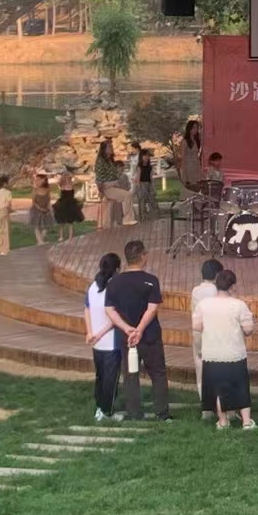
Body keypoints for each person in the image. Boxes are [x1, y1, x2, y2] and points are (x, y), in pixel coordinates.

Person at [104, 239, 170, 421]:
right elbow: (152, 308)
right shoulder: (151, 281)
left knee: (130, 374)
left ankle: (134, 412)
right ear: (142, 256)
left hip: (126, 338)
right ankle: (162, 413)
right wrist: (139, 330)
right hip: (149, 336)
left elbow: (109, 310)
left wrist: (127, 329)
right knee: (158, 373)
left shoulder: (114, 282)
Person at [195, 269, 256, 430]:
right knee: (240, 386)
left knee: (217, 389)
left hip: (212, 353)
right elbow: (248, 330)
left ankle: (223, 421)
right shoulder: (238, 305)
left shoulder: (204, 304)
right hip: (234, 353)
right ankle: (246, 422)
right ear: (233, 286)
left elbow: (197, 326)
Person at [84, 253, 123, 422]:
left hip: (96, 342)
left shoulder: (93, 286)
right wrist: (99, 334)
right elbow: (115, 318)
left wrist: (90, 333)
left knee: (100, 376)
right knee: (110, 379)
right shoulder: (115, 289)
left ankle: (100, 408)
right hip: (111, 342)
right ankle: (107, 412)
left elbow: (86, 309)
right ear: (117, 269)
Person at [190, 259, 223, 405]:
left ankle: (205, 404)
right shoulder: (217, 292)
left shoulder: (195, 291)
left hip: (198, 333)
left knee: (200, 367)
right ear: (217, 275)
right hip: (214, 334)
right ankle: (220, 402)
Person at [95, 140, 133, 227]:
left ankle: (120, 221)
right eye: (109, 147)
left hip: (115, 185)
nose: (111, 148)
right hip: (108, 187)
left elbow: (114, 174)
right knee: (127, 195)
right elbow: (99, 177)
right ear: (104, 149)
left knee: (122, 201)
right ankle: (127, 219)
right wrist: (101, 190)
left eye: (111, 146)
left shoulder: (110, 160)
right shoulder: (101, 161)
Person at [54, 167, 84, 240]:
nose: (67, 178)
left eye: (68, 177)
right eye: (66, 177)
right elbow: (58, 182)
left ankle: (69, 236)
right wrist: (63, 177)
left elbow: (79, 180)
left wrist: (72, 176)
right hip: (64, 204)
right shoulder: (62, 186)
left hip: (70, 204)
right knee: (62, 222)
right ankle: (62, 236)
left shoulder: (71, 184)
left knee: (70, 222)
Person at [178, 119, 204, 190]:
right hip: (189, 167)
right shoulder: (185, 141)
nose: (196, 130)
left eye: (197, 128)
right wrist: (184, 173)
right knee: (191, 187)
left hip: (197, 166)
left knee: (199, 186)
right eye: (194, 127)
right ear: (189, 129)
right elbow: (183, 157)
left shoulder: (197, 140)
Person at [29, 172, 53, 244]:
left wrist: (48, 209)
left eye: (39, 179)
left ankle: (40, 240)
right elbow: (33, 202)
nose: (37, 181)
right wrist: (40, 208)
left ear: (44, 180)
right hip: (36, 210)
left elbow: (48, 200)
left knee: (46, 226)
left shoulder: (48, 189)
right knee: (36, 226)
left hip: (45, 210)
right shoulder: (35, 190)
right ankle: (40, 241)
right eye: (36, 179)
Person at [0, 175, 13, 256]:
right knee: (5, 231)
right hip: (4, 211)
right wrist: (10, 210)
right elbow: (8, 204)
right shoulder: (7, 192)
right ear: (4, 183)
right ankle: (5, 249)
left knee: (0, 232)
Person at [136, 146, 158, 220]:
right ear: (141, 157)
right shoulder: (139, 167)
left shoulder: (150, 167)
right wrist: (139, 187)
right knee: (142, 201)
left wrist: (153, 187)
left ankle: (154, 214)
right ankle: (142, 216)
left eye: (148, 156)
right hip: (141, 185)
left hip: (148, 184)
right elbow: (138, 178)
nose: (146, 157)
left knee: (152, 199)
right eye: (144, 156)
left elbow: (151, 178)